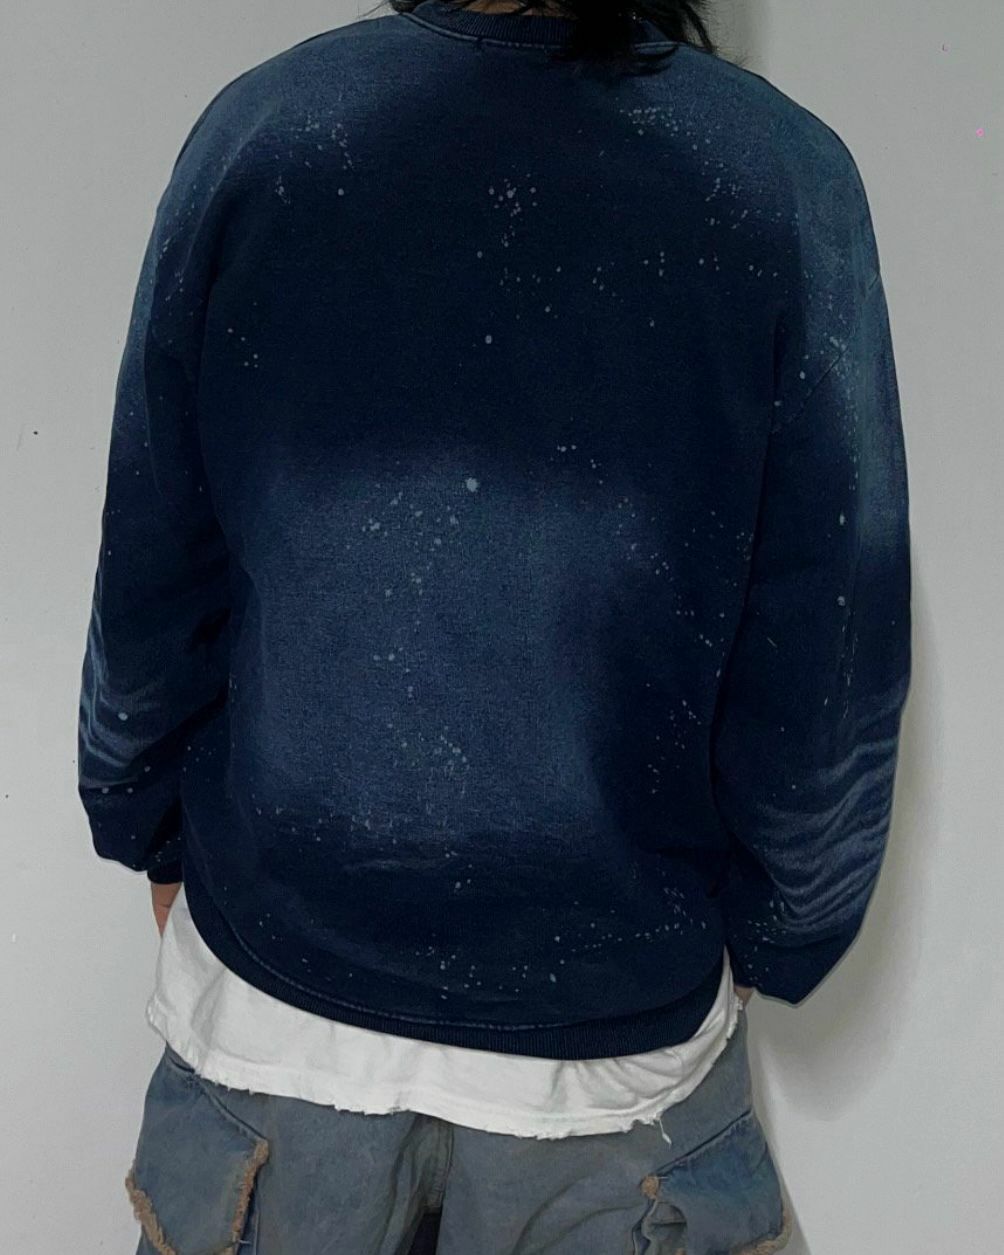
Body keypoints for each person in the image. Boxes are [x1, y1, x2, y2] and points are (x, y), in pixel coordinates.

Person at [75, 0, 912, 1250]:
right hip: (609, 1052)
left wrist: (142, 822)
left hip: (278, 1009)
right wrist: (780, 923)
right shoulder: (777, 178)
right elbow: (829, 639)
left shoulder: (268, 129)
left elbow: (154, 552)